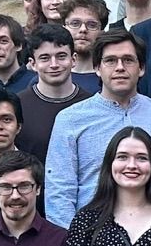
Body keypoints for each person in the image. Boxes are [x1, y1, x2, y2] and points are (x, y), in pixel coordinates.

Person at [45, 29, 151, 226]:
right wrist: (72, 239)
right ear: (97, 68)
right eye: (110, 61)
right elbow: (59, 191)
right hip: (90, 233)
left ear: (141, 68)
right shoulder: (70, 119)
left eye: (128, 60)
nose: (120, 68)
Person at [17, 22, 95, 160]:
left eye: (61, 56)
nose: (54, 65)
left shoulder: (92, 105)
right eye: (45, 58)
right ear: (33, 64)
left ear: (73, 59)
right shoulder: (17, 106)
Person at [60, 0, 111, 81]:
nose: (83, 29)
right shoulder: (50, 75)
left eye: (92, 25)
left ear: (102, 32)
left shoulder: (110, 78)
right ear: (64, 28)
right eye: (75, 23)